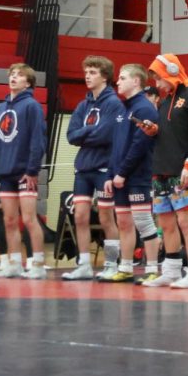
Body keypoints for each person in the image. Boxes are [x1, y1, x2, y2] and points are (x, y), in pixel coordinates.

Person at [144, 53, 188, 289]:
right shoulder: (165, 101)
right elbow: (168, 133)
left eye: (158, 78)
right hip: (160, 170)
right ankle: (172, 271)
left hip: (182, 171)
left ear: (171, 71)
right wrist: (153, 130)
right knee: (165, 223)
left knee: (185, 221)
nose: (157, 84)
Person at [62, 56, 124, 281]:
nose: (87, 76)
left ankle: (110, 264)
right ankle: (84, 265)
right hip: (83, 167)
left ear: (105, 76)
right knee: (80, 216)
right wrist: (91, 132)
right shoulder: (82, 105)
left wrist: (85, 133)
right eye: (86, 71)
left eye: (93, 72)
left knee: (107, 218)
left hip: (104, 168)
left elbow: (107, 133)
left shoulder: (114, 103)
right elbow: (71, 135)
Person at [99, 63, 162, 283]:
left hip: (137, 176)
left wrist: (122, 173)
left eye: (123, 78)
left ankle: (152, 268)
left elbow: (139, 145)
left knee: (143, 222)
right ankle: (125, 267)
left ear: (136, 81)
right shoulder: (122, 109)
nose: (118, 81)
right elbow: (116, 147)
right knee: (123, 222)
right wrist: (110, 175)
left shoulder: (145, 109)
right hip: (119, 177)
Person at [0, 63, 48, 279]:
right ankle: (13, 263)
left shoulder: (31, 106)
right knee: (9, 220)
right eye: (12, 74)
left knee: (30, 219)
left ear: (28, 82)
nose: (14, 77)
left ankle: (38, 264)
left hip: (24, 171)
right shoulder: (0, 109)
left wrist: (32, 170)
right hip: (5, 172)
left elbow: (37, 139)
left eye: (19, 75)